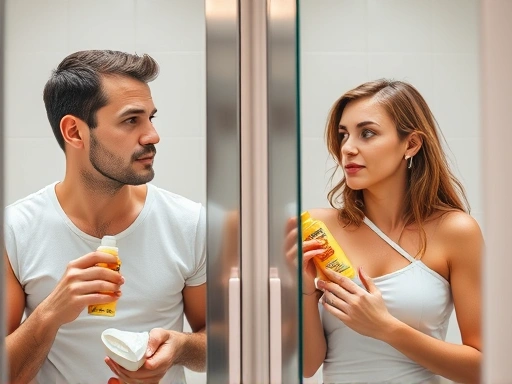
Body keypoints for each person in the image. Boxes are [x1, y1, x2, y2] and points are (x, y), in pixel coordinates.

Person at [4, 50, 206, 384]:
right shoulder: (14, 230)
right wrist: (51, 312)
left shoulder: (189, 223)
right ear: (74, 132)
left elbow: (223, 339)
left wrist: (182, 347)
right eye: (131, 120)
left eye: (150, 118)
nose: (152, 136)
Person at [300, 79, 482, 383]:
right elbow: (306, 367)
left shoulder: (455, 232)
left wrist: (385, 327)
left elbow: (484, 369)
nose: (347, 148)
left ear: (410, 144)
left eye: (367, 133)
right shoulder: (318, 229)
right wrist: (304, 292)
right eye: (343, 135)